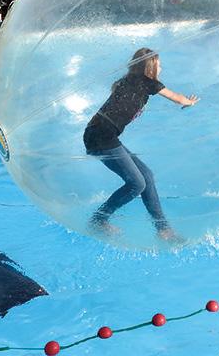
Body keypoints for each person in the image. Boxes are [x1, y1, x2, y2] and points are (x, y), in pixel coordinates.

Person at [83, 48, 199, 242]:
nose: (161, 67)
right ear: (151, 66)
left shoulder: (127, 80)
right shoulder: (147, 83)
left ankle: (163, 230)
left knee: (146, 176)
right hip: (101, 136)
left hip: (100, 132)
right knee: (136, 184)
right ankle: (98, 220)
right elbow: (176, 98)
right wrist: (189, 102)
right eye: (159, 64)